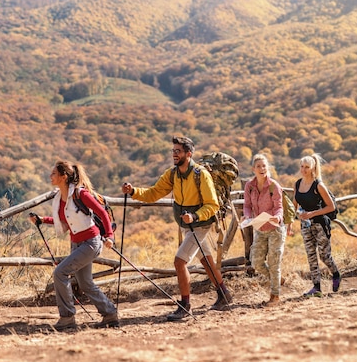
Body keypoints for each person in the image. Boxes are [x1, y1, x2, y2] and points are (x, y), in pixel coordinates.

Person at [121, 136, 233, 321]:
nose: (174, 154)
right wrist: (134, 191)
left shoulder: (200, 174)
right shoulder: (172, 174)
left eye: (178, 151)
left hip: (200, 224)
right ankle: (224, 295)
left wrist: (195, 216)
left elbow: (212, 205)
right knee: (205, 260)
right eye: (173, 151)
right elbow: (154, 193)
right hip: (187, 225)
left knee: (179, 262)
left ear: (189, 154)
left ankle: (185, 305)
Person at [29, 160, 119, 330]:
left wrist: (109, 236)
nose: (51, 176)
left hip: (91, 243)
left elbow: (102, 213)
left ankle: (67, 317)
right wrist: (42, 220)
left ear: (63, 177)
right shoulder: (60, 198)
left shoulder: (80, 194)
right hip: (77, 243)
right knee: (85, 283)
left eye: (54, 173)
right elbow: (64, 221)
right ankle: (109, 314)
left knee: (60, 273)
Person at [293, 154, 341, 297]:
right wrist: (298, 214)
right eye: (302, 167)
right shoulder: (297, 184)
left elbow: (331, 207)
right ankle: (316, 287)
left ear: (313, 168)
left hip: (320, 224)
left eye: (307, 167)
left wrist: (312, 214)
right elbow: (294, 206)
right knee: (311, 256)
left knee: (324, 256)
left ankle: (336, 274)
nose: (304, 170)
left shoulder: (318, 185)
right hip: (305, 225)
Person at [242, 154, 286, 307]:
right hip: (259, 228)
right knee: (257, 263)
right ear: (253, 169)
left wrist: (278, 218)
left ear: (268, 168)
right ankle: (277, 279)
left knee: (274, 264)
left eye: (264, 166)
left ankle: (275, 296)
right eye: (258, 166)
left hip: (275, 229)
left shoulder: (274, 186)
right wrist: (246, 216)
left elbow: (279, 207)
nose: (262, 169)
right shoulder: (249, 186)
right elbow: (247, 206)